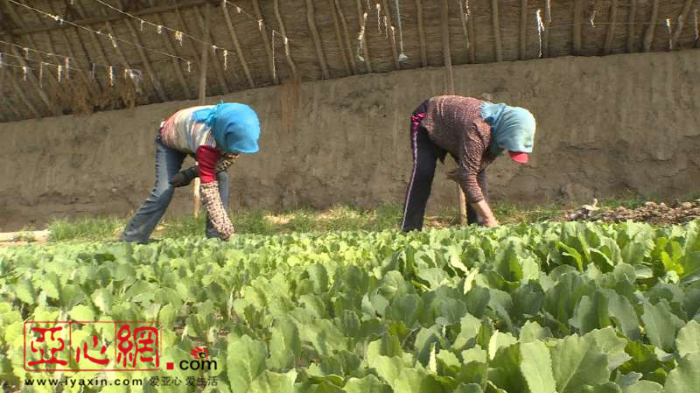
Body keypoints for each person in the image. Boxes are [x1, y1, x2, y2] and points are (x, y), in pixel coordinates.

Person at [120, 102, 260, 243]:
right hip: (171, 140)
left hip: (192, 137)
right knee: (164, 190)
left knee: (222, 177)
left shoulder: (237, 126)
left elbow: (225, 162)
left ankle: (215, 238)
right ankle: (131, 239)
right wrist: (227, 232)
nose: (237, 152)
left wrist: (190, 173)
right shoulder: (207, 142)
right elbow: (209, 192)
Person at [401, 95, 536, 232]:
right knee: (423, 172)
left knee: (476, 175)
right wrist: (490, 218)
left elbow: (480, 164)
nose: (508, 148)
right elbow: (468, 177)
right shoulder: (478, 129)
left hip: (457, 133)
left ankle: (479, 229)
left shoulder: (500, 130)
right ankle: (409, 229)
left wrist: (465, 173)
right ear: (507, 131)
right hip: (429, 119)